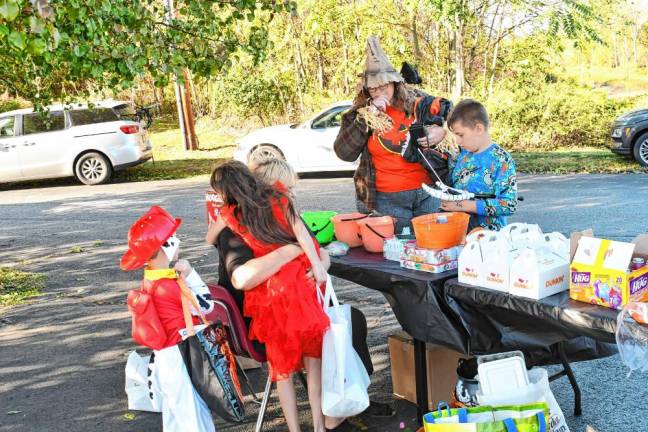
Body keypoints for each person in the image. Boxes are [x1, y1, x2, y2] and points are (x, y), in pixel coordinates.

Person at [211, 158, 391, 431]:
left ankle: (338, 408)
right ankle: (331, 415)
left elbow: (320, 251)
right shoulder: (244, 222)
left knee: (350, 323)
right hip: (262, 317)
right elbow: (242, 278)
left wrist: (318, 262)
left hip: (277, 307)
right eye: (289, 188)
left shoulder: (237, 216)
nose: (292, 193)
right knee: (333, 336)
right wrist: (295, 253)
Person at [206, 160, 330, 432]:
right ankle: (320, 426)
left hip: (269, 296)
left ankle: (295, 429)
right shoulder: (279, 197)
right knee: (314, 362)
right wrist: (318, 265)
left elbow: (208, 238)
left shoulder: (231, 214)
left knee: (281, 372)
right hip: (299, 287)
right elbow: (300, 232)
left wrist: (220, 213)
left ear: (226, 191)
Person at [333, 35, 452, 234]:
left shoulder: (419, 102)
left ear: (395, 83)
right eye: (373, 88)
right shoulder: (360, 113)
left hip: (429, 193)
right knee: (394, 256)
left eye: (384, 86)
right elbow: (344, 153)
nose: (379, 92)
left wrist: (443, 131)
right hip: (386, 199)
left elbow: (457, 117)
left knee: (432, 248)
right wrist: (367, 117)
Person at [120, 205, 216, 432]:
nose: (177, 240)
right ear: (165, 246)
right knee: (193, 418)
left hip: (166, 358)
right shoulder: (170, 285)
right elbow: (206, 304)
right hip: (180, 357)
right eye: (173, 237)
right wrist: (191, 273)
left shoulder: (151, 281)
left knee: (176, 419)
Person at [441, 99, 518, 230]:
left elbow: (509, 204)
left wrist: (464, 205)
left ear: (479, 129)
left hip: (489, 238)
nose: (458, 141)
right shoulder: (464, 155)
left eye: (460, 135)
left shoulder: (501, 160)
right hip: (459, 232)